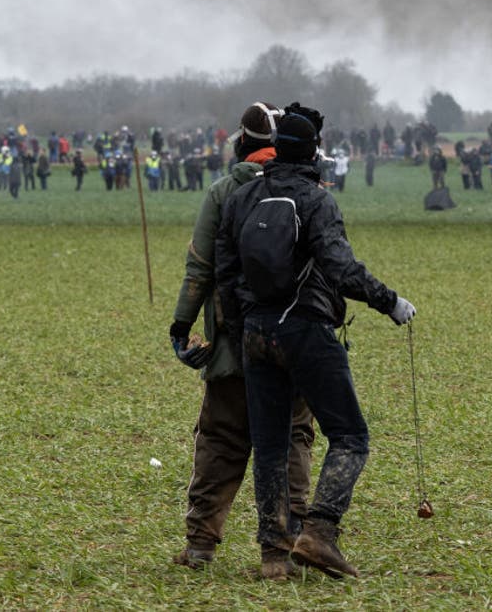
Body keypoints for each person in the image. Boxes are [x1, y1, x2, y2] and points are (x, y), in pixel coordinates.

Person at [216, 102, 416, 579]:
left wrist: (246, 329)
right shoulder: (316, 200)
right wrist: (389, 302)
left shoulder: (242, 198)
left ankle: (273, 556)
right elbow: (340, 267)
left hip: (256, 335)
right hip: (306, 329)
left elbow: (226, 276)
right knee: (350, 437)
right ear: (315, 154)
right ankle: (319, 532)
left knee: (269, 445)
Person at [168, 102, 317, 579]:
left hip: (236, 343)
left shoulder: (222, 193)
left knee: (221, 438)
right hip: (295, 341)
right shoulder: (309, 190)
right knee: (291, 439)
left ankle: (200, 547)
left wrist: (180, 326)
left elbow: (201, 267)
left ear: (242, 143)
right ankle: (284, 550)